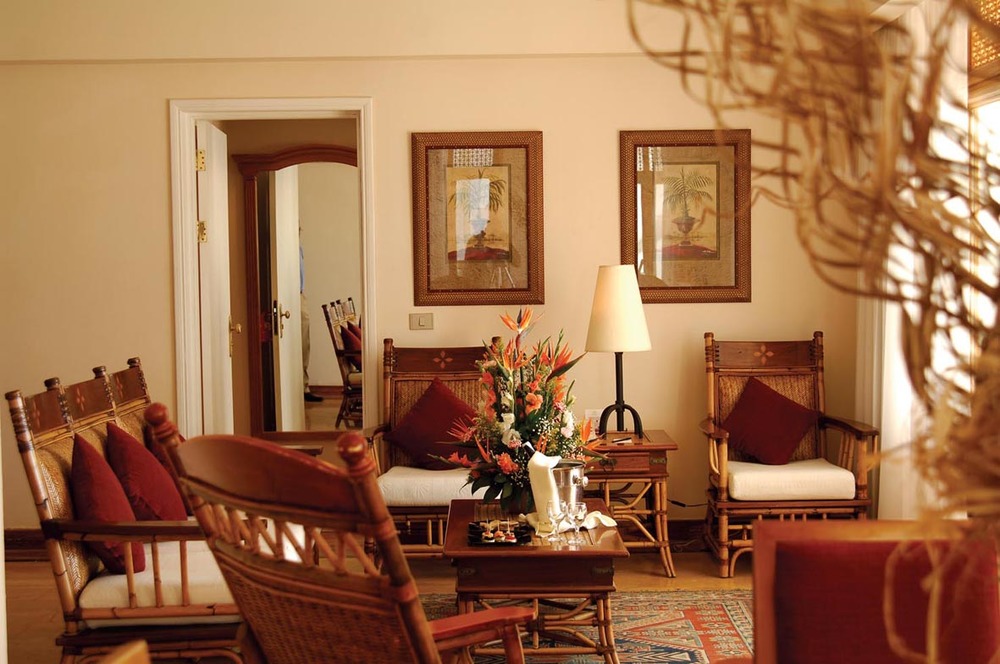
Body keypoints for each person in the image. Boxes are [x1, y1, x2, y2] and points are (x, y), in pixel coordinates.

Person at [301, 241, 322, 403]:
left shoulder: (298, 248)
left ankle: (303, 386)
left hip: (299, 295)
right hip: (291, 295)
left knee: (304, 344)